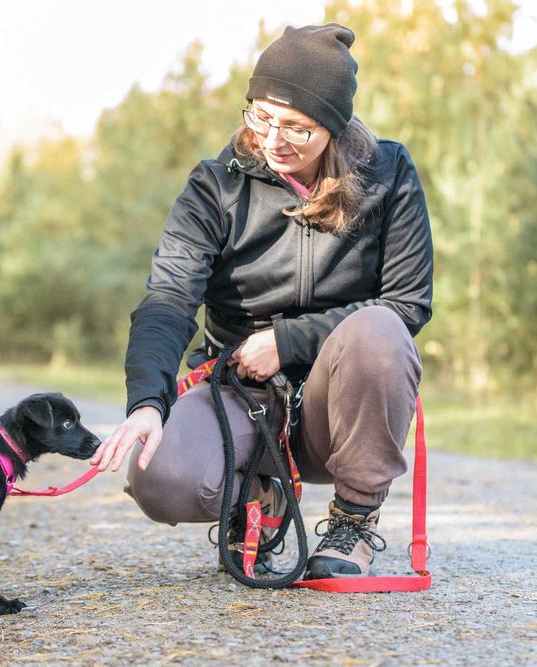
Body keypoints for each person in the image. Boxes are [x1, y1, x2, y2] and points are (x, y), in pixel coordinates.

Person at [90, 23, 432, 579]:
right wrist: (148, 402)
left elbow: (407, 303)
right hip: (240, 393)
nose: (274, 140)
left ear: (335, 126)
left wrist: (288, 341)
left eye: (297, 128)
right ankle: (257, 496)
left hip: (337, 406)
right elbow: (169, 298)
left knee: (380, 329)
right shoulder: (214, 185)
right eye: (262, 117)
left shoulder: (388, 175)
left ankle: (354, 520)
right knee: (160, 478)